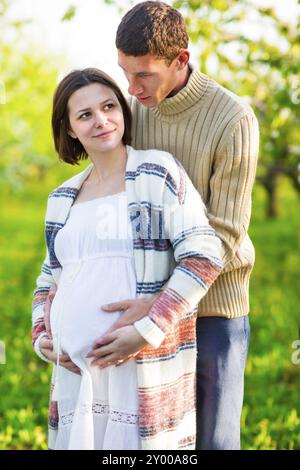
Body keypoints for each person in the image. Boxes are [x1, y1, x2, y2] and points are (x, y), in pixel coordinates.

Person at [43, 1, 259, 450]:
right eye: (125, 72)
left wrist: (154, 302)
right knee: (153, 438)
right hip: (139, 314)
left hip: (215, 305)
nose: (130, 88)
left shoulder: (232, 119)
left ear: (180, 60)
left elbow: (223, 234)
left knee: (212, 440)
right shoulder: (131, 109)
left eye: (143, 75)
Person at [31, 67, 223, 450]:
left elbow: (204, 255)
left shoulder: (156, 172)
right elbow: (49, 279)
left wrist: (148, 330)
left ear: (123, 110)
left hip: (141, 364)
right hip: (76, 375)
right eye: (85, 115)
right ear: (69, 129)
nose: (101, 120)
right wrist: (43, 338)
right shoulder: (61, 198)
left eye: (109, 106)